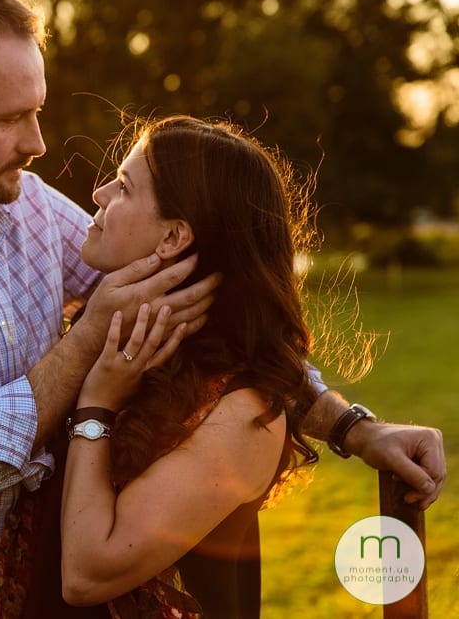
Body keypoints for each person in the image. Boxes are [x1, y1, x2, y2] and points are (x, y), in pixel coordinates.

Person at [0, 0, 444, 619]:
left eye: (36, 110)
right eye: (12, 118)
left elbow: (201, 300)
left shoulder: (28, 208)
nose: (37, 142)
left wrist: (352, 427)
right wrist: (88, 342)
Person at [53, 115, 435, 618]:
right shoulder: (129, 348)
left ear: (172, 238)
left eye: (123, 186)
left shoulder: (241, 413)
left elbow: (87, 573)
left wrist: (97, 402)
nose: (98, 195)